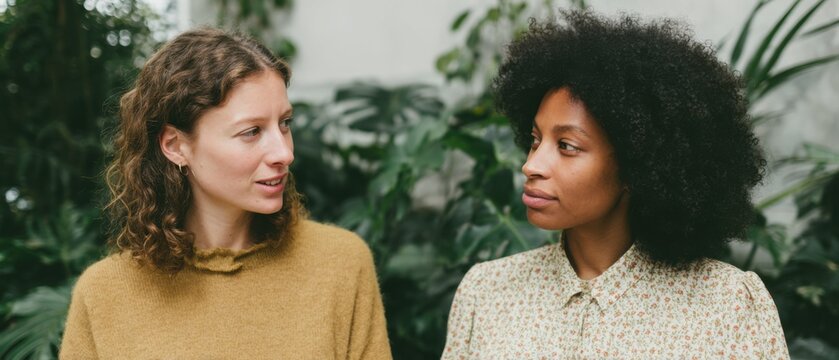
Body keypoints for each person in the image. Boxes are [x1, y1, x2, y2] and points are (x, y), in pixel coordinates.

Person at [442, 10, 789, 360]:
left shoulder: (727, 306)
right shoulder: (486, 293)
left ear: (635, 166)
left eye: (567, 146)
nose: (531, 165)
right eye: (535, 140)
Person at [60, 28, 391, 359]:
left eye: (285, 123)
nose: (284, 153)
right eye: (251, 132)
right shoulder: (104, 295)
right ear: (176, 146)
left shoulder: (341, 265)